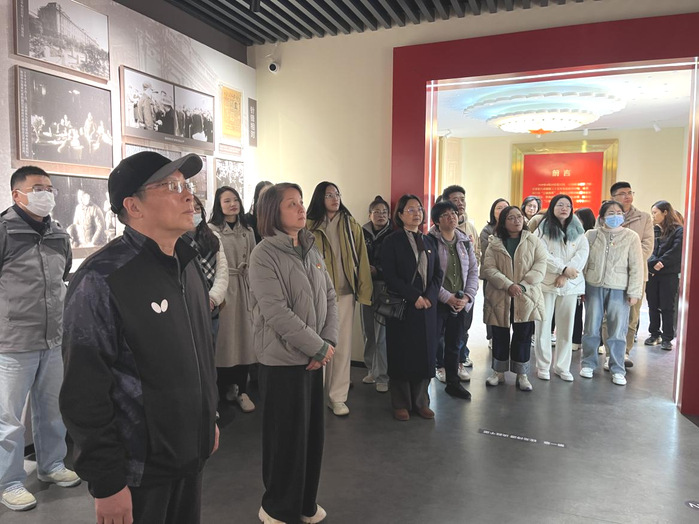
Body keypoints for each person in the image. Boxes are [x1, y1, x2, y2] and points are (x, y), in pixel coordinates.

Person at [60, 152, 219, 523]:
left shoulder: (187, 264)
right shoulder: (103, 277)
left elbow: (199, 354)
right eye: (172, 186)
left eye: (187, 185)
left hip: (190, 455)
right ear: (133, 206)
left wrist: (208, 417)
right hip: (138, 470)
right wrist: (107, 481)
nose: (188, 195)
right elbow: (84, 390)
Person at [248, 183, 337, 524]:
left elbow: (330, 297)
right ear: (273, 211)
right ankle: (277, 507)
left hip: (314, 358)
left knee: (311, 437)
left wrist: (327, 342)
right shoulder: (263, 255)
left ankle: (304, 503)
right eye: (291, 204)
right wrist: (318, 347)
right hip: (282, 361)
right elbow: (276, 311)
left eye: (301, 202)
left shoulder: (310, 249)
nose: (301, 209)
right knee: (285, 439)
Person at [0, 166, 79, 512]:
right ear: (17, 195)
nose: (45, 194)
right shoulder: (4, 231)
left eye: (49, 188)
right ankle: (9, 481)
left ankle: (51, 465)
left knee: (51, 409)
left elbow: (63, 276)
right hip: (13, 340)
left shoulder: (59, 233)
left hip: (53, 338)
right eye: (37, 188)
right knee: (8, 419)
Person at [306, 182, 372, 417]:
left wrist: (364, 292)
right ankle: (316, 396)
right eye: (329, 195)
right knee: (318, 345)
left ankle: (338, 397)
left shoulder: (351, 225)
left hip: (345, 293)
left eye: (337, 194)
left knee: (342, 346)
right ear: (319, 198)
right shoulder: (308, 226)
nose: (335, 198)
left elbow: (362, 260)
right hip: (317, 294)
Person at [382, 194, 442, 421]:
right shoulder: (392, 241)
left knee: (425, 354)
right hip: (403, 306)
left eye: (419, 209)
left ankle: (421, 402)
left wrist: (430, 296)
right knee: (401, 352)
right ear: (400, 215)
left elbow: (438, 273)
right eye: (410, 209)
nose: (417, 213)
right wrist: (414, 296)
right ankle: (401, 403)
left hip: (427, 307)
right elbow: (390, 275)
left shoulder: (429, 241)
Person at [481, 205, 546, 391]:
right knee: (499, 334)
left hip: (526, 296)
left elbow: (540, 265)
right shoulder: (495, 243)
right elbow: (489, 268)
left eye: (519, 217)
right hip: (500, 295)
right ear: (503, 222)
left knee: (523, 335)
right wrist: (508, 284)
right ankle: (498, 372)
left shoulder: (534, 240)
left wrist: (523, 285)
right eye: (511, 217)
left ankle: (522, 374)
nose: (516, 220)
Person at [580, 200, 643, 386]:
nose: (615, 216)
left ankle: (617, 368)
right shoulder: (591, 235)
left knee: (617, 330)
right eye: (610, 213)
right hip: (593, 285)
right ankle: (588, 363)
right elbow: (583, 262)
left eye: (618, 212)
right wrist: (580, 288)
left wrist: (634, 292)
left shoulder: (631, 237)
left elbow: (637, 266)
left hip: (619, 288)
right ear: (602, 217)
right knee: (591, 327)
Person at [209, 186, 257, 413]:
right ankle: (222, 389)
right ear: (219, 205)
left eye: (235, 199)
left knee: (245, 340)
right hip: (224, 289)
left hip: (245, 287)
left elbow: (254, 260)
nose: (232, 204)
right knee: (225, 341)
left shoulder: (248, 230)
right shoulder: (211, 230)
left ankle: (241, 389)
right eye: (227, 201)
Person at [533, 195, 589, 382]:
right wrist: (562, 269)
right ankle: (543, 366)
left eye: (568, 205)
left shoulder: (579, 230)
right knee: (543, 326)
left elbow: (582, 254)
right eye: (560, 205)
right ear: (552, 207)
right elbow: (541, 254)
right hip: (546, 283)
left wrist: (566, 274)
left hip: (570, 284)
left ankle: (562, 366)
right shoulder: (542, 229)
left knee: (566, 327)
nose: (564, 208)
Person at [428, 201, 478, 400]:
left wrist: (467, 297)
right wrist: (446, 297)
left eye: (454, 213)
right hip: (438, 302)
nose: (452, 217)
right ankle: (423, 388)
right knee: (433, 343)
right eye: (446, 214)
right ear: (437, 221)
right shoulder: (430, 241)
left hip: (459, 301)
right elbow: (428, 275)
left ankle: (453, 383)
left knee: (454, 344)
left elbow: (473, 271)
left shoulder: (464, 241)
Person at [604, 182, 653, 366]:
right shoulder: (605, 215)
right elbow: (600, 243)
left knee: (632, 317)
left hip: (636, 275)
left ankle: (624, 353)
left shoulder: (644, 217)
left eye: (630, 192)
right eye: (622, 193)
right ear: (613, 197)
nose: (627, 196)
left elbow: (647, 245)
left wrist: (629, 261)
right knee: (608, 316)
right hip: (609, 274)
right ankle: (609, 354)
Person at [442, 185, 480, 371]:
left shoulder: (469, 228)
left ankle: (460, 360)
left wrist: (468, 295)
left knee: (463, 329)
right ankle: (442, 365)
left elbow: (476, 259)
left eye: (462, 199)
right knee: (444, 333)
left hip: (464, 290)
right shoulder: (436, 233)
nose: (460, 203)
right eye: (455, 200)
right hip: (445, 293)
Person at [183, 196, 228, 343]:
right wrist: (198, 300)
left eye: (197, 208)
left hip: (211, 307)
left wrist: (212, 299)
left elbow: (222, 272)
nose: (194, 212)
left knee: (210, 347)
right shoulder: (176, 240)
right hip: (188, 307)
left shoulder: (212, 237)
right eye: (190, 208)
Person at [360, 195, 392, 393]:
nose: (381, 215)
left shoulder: (393, 234)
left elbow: (395, 264)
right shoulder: (360, 232)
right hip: (365, 286)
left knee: (381, 334)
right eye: (377, 212)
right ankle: (371, 368)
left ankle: (382, 376)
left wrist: (377, 270)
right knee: (368, 331)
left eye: (384, 212)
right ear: (369, 214)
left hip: (384, 288)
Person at [645, 200, 684, 351]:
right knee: (652, 305)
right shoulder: (653, 230)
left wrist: (662, 262)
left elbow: (676, 250)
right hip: (652, 273)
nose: (653, 215)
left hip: (668, 274)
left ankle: (667, 338)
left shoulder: (678, 230)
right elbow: (648, 248)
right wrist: (654, 262)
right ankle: (654, 334)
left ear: (665, 212)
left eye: (655, 212)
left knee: (667, 306)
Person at [480, 198, 510, 347]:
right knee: (493, 306)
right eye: (499, 208)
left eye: (505, 207)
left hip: (511, 276)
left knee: (508, 307)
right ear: (493, 212)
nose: (502, 210)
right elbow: (489, 254)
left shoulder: (515, 229)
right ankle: (492, 337)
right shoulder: (487, 230)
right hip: (492, 275)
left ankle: (506, 337)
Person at [571, 207, 596, 351]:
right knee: (576, 310)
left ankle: (597, 343)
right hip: (577, 276)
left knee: (594, 313)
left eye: (579, 218)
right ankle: (576, 339)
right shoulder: (573, 234)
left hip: (592, 277)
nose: (576, 220)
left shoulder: (594, 235)